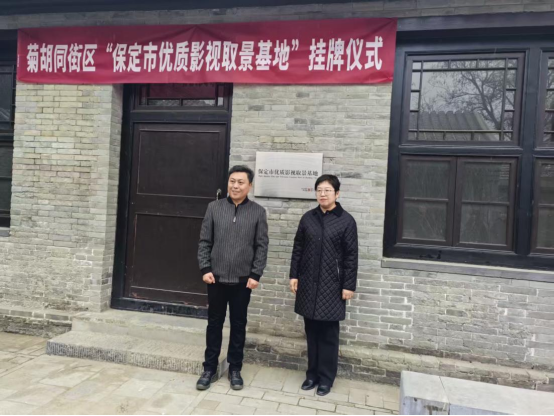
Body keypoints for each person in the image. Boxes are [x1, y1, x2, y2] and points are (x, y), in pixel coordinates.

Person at [196, 165, 269, 391]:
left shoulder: (258, 212)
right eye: (232, 181)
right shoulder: (214, 208)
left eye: (240, 182)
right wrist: (205, 268)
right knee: (214, 324)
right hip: (215, 278)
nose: (235, 186)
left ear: (250, 186)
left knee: (238, 325)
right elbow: (204, 241)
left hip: (242, 280)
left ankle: (235, 368)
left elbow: (261, 246)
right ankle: (209, 368)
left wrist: (255, 274)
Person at [289, 175, 358, 397]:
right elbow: (298, 248)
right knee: (311, 332)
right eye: (319, 190)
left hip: (333, 286)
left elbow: (351, 256)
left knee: (328, 335)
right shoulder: (308, 218)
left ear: (337, 194)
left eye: (327, 190)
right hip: (308, 283)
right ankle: (312, 375)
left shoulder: (346, 221)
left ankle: (326, 379)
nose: (323, 194)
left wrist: (348, 285)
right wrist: (294, 275)